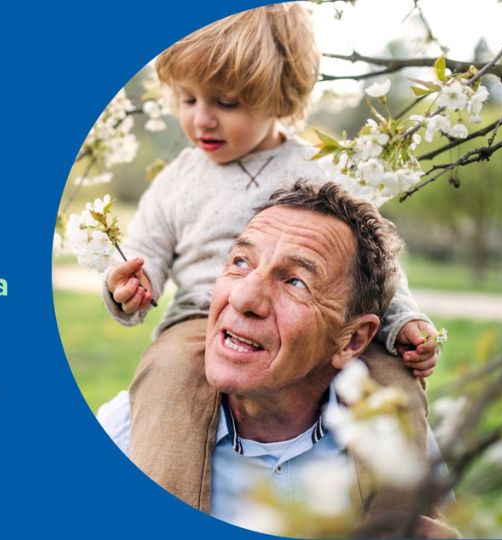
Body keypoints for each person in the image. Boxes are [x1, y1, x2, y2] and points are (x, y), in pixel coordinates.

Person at [101, 3, 440, 496]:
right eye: (188, 99)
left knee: (393, 381)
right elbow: (143, 247)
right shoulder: (179, 179)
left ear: (279, 97)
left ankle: (404, 515)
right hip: (201, 320)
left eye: (226, 103)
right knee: (169, 378)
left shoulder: (320, 167)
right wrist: (129, 284)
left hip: (318, 325)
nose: (202, 120)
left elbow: (375, 267)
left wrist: (402, 321)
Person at [99, 181, 457, 537]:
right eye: (240, 262)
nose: (243, 298)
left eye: (296, 282)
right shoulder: (129, 432)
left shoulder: (395, 440)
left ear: (353, 340)